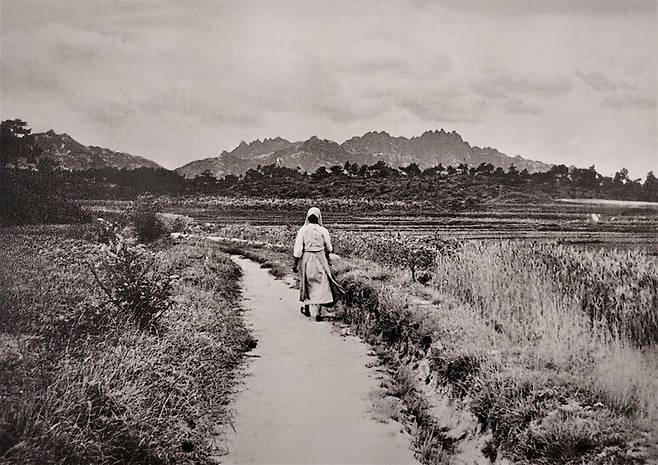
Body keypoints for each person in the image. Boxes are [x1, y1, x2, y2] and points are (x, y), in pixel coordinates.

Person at [292, 207, 341, 321]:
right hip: (320, 259)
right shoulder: (323, 230)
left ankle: (307, 309)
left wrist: (294, 265)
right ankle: (318, 313)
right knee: (321, 284)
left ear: (308, 217)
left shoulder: (303, 230)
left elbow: (298, 250)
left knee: (307, 283)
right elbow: (329, 247)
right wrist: (325, 254)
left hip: (307, 259)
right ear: (319, 218)